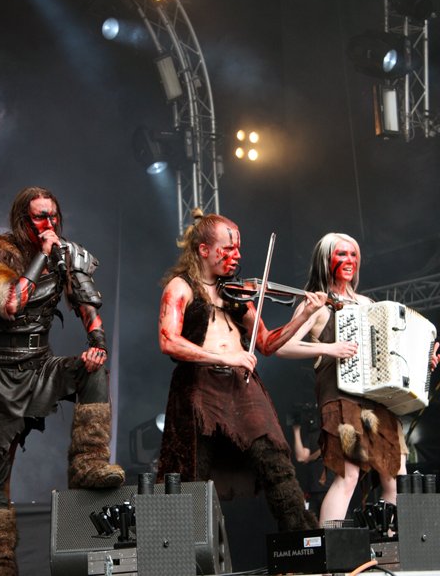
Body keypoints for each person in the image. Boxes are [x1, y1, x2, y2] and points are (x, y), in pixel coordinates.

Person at [0, 186, 125, 576]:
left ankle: (88, 463)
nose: (49, 223)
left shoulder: (66, 256)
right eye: (40, 216)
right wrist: (41, 256)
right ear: (23, 219)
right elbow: (11, 304)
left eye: (53, 216)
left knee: (91, 370)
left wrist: (97, 346)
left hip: (40, 365)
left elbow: (87, 306)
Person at [156, 209, 328, 532]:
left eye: (238, 249)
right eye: (228, 249)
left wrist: (304, 315)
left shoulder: (236, 294)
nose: (236, 256)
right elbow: (168, 341)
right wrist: (225, 358)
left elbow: (266, 342)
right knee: (193, 466)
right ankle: (182, 544)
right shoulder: (181, 287)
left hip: (242, 385)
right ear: (203, 249)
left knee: (275, 460)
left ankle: (301, 534)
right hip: (199, 387)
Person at [276, 232, 440, 526]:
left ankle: (392, 541)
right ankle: (329, 546)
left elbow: (391, 354)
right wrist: (330, 348)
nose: (349, 260)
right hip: (340, 397)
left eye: (353, 254)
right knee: (348, 475)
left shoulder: (367, 303)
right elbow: (282, 346)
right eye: (341, 254)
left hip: (376, 398)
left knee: (395, 474)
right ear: (326, 259)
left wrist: (422, 363)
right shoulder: (316, 303)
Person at [289, 403, 334, 519]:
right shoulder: (311, 435)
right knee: (313, 523)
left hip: (329, 488)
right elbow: (300, 457)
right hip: (313, 489)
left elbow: (325, 449)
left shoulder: (331, 432)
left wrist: (309, 458)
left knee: (331, 522)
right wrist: (296, 430)